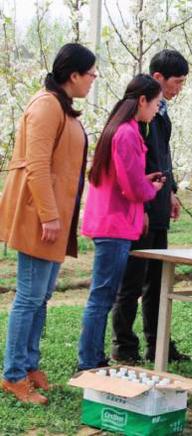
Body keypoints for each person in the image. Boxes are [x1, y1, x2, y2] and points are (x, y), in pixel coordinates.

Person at [0, 43, 97, 404]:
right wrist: (50, 215)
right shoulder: (45, 106)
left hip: (54, 218)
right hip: (39, 217)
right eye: (90, 73)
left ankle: (28, 365)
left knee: (41, 297)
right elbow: (37, 166)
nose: (93, 79)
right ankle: (12, 374)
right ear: (73, 75)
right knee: (28, 297)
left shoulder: (61, 106)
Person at [77, 74, 165, 370]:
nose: (155, 110)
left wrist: (143, 180)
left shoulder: (119, 128)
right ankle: (89, 361)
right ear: (142, 100)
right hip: (114, 226)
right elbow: (131, 187)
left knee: (103, 294)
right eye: (155, 104)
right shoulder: (128, 133)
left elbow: (123, 178)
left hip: (111, 222)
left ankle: (92, 357)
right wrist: (150, 188)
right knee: (102, 296)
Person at [111, 50, 189, 364]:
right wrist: (142, 206)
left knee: (158, 281)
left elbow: (162, 158)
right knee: (133, 280)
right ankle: (124, 345)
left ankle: (158, 344)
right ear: (158, 78)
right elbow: (138, 165)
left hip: (157, 206)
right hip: (140, 209)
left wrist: (170, 191)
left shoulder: (161, 112)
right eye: (177, 82)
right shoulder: (139, 115)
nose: (179, 88)